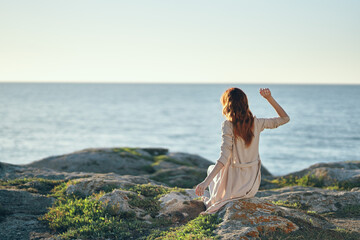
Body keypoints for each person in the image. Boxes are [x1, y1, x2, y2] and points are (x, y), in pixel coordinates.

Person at [195, 87, 290, 214]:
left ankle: (214, 199)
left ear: (227, 105)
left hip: (234, 185)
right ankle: (216, 198)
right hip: (251, 184)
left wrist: (205, 183)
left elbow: (224, 158)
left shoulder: (228, 125)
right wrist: (269, 98)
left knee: (211, 169)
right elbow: (285, 118)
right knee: (217, 170)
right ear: (245, 104)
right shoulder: (257, 123)